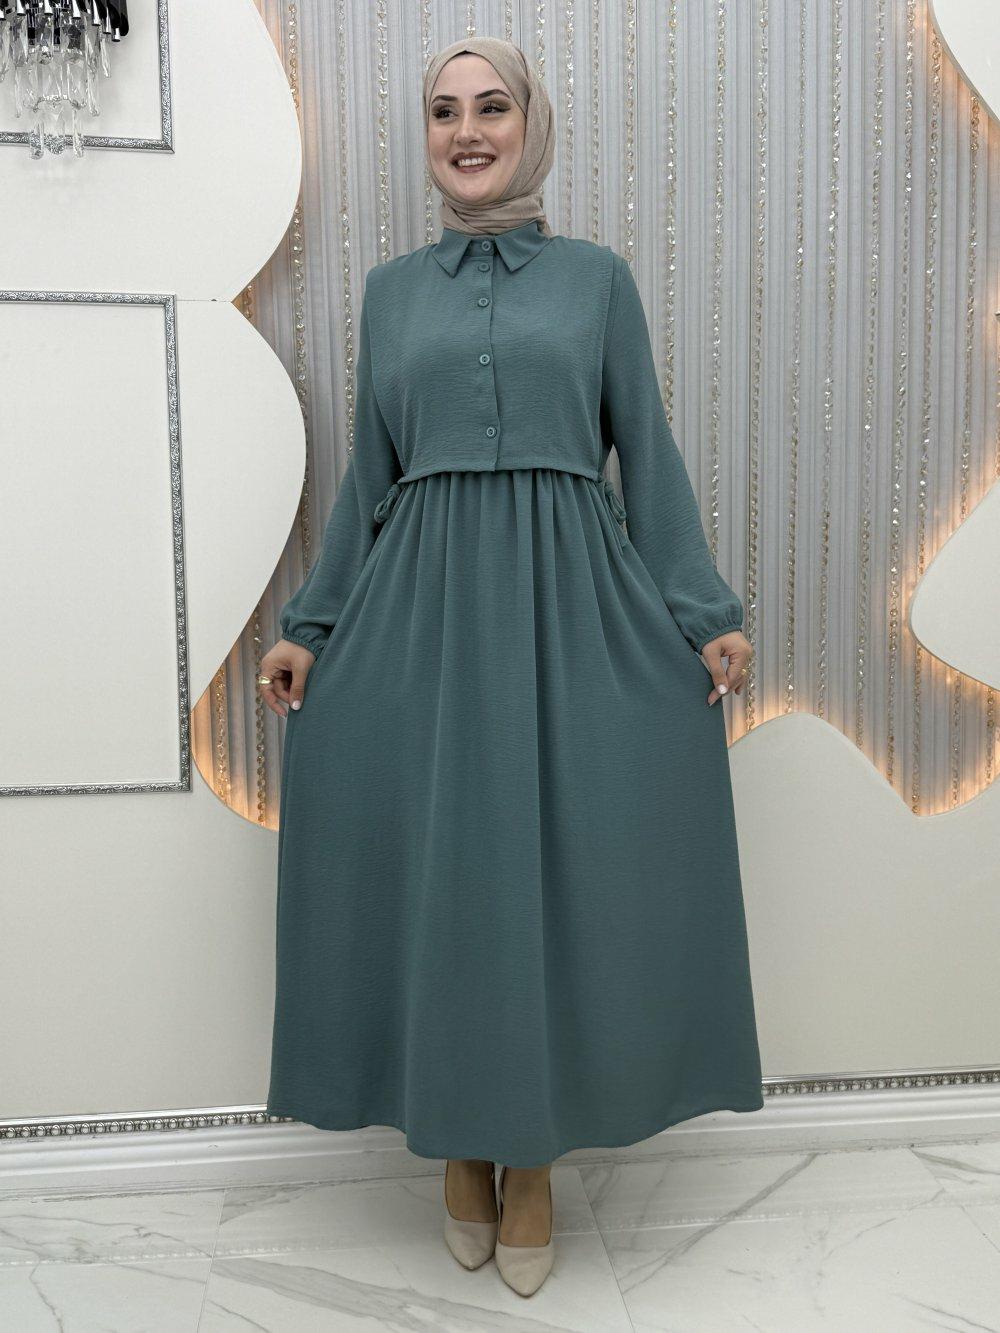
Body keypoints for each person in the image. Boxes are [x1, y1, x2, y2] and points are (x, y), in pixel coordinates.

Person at [258, 36, 763, 1298]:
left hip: (566, 607)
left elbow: (644, 452)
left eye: (491, 107)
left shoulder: (595, 281)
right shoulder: (390, 294)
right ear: (425, 137)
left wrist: (703, 612)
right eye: (444, 112)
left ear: (530, 125)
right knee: (447, 883)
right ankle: (459, 1148)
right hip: (419, 613)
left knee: (550, 876)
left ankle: (529, 1156)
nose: (467, 130)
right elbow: (370, 480)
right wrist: (310, 629)